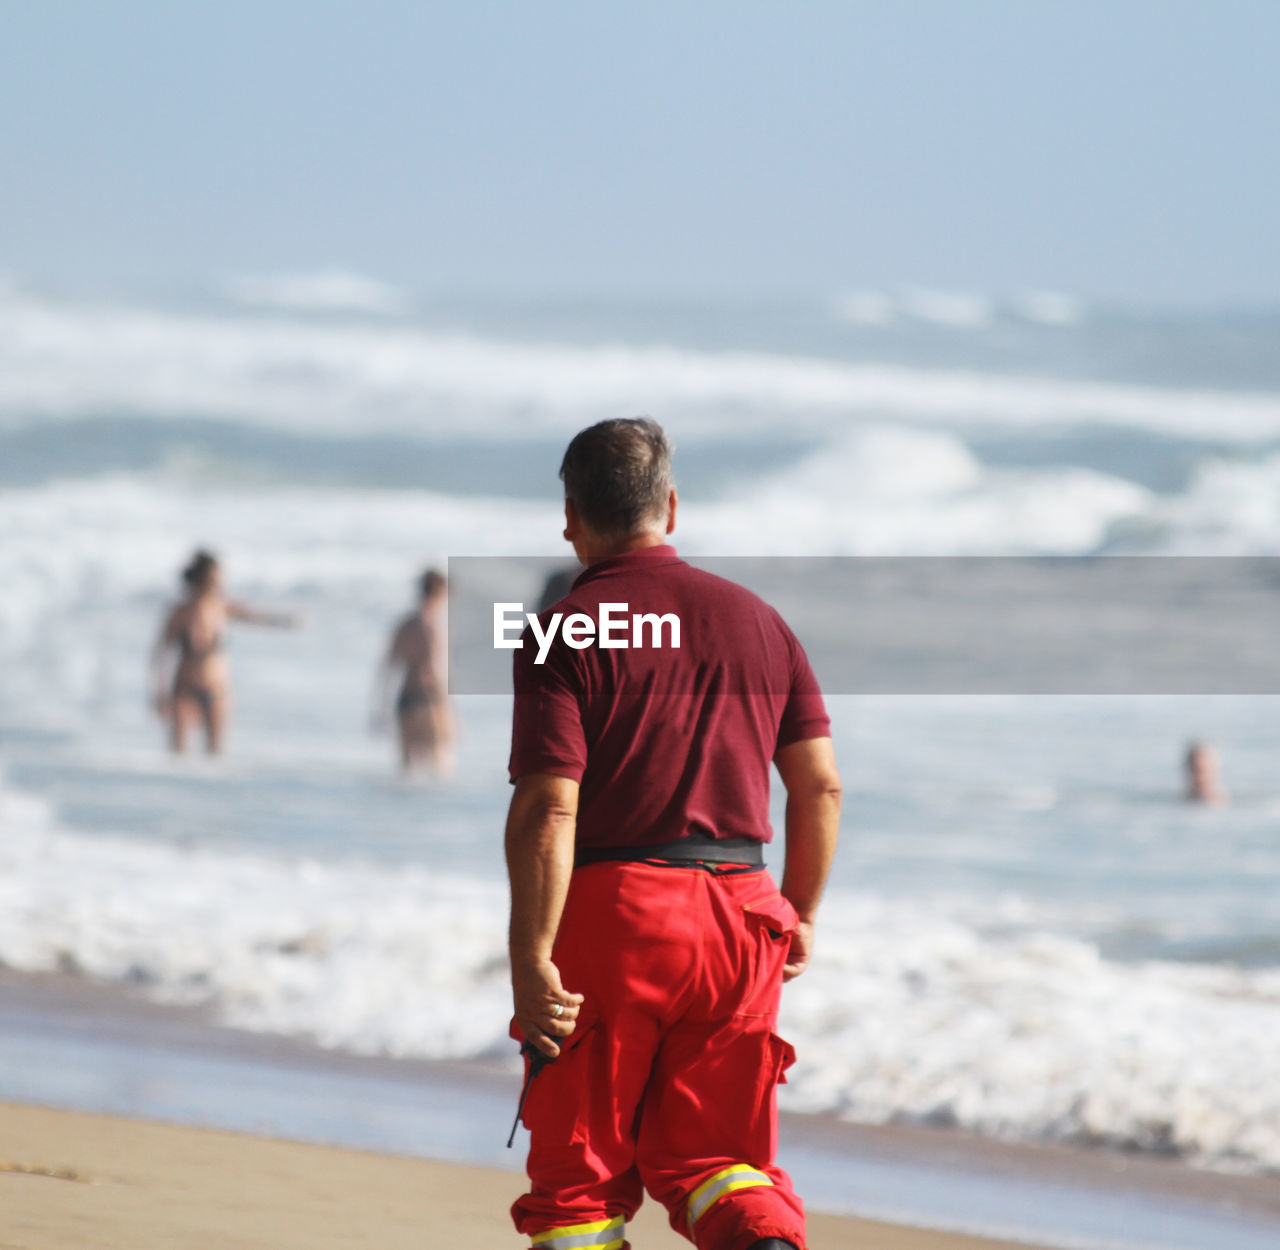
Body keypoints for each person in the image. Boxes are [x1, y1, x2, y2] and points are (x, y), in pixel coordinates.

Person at [505, 417, 841, 1250]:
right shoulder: (761, 622)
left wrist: (530, 958)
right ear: (672, 509)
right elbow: (820, 786)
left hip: (619, 917)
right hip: (742, 914)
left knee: (578, 1189)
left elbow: (551, 805)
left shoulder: (566, 627)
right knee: (720, 1162)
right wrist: (798, 913)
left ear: (572, 517)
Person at [148, 550, 298, 755]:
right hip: (184, 688)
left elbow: (254, 618)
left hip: (217, 689)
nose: (219, 581)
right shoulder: (181, 612)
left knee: (215, 758)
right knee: (178, 756)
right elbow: (160, 654)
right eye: (214, 577)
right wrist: (159, 693)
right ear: (202, 578)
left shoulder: (221, 607)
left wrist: (284, 622)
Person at [374, 569, 454, 774]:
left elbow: (386, 668)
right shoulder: (432, 627)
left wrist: (380, 709)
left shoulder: (404, 625)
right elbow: (434, 670)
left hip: (405, 701)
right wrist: (448, 710)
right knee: (439, 770)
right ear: (438, 593)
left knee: (406, 772)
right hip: (428, 701)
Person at [1184, 740, 1228, 805]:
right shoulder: (1183, 799)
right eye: (1195, 770)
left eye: (1202, 770)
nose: (1199, 776)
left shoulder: (1222, 803)